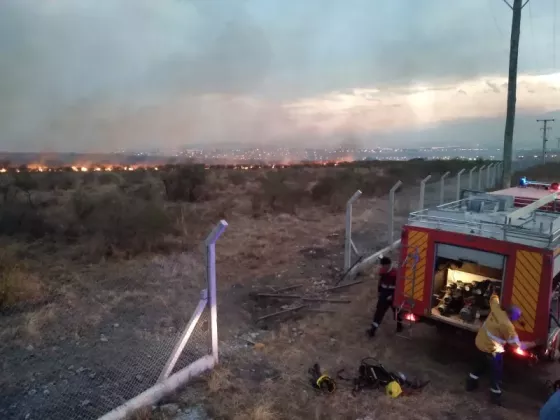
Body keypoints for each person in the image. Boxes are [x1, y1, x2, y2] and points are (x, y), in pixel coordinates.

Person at [466, 290, 537, 406]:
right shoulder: (508, 326)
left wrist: (495, 292)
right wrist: (534, 342)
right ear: (511, 315)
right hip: (492, 351)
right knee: (496, 373)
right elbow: (518, 346)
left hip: (480, 343)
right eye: (517, 316)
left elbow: (493, 299)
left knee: (479, 365)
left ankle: (470, 385)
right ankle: (495, 397)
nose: (517, 319)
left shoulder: (496, 309)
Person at [367, 256, 403, 338]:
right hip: (384, 292)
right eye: (382, 266)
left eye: (384, 266)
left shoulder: (396, 273)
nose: (383, 267)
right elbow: (380, 281)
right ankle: (372, 330)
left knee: (396, 311)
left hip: (393, 293)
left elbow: (399, 287)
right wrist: (379, 291)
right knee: (379, 311)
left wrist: (392, 296)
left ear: (389, 265)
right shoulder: (382, 271)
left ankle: (399, 326)